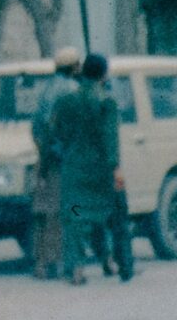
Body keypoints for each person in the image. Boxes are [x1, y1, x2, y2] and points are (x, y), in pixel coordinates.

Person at [47, 54, 125, 286]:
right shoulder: (107, 102)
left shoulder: (65, 101)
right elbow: (110, 139)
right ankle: (108, 261)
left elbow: (53, 133)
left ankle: (77, 268)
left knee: (75, 217)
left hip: (73, 171)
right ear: (103, 74)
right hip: (100, 173)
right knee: (101, 217)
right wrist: (116, 168)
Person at [27, 49, 79, 280]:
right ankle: (54, 261)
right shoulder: (71, 90)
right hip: (61, 159)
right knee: (58, 213)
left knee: (41, 210)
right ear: (74, 67)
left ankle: (39, 261)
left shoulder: (46, 89)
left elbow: (36, 127)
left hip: (44, 157)